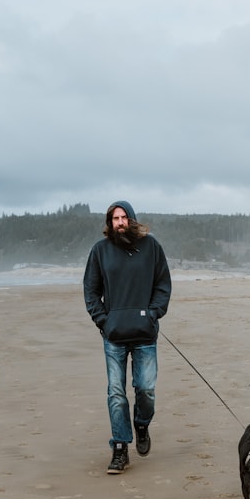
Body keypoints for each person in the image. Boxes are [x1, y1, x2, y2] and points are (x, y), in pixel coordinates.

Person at [83, 201, 172, 474]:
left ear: (132, 220)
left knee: (146, 389)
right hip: (114, 335)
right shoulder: (100, 251)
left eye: (123, 217)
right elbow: (90, 290)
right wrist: (103, 320)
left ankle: (142, 424)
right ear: (109, 223)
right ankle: (120, 447)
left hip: (145, 333)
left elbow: (163, 284)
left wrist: (153, 314)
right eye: (114, 219)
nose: (119, 222)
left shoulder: (151, 247)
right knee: (116, 393)